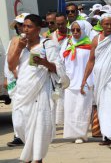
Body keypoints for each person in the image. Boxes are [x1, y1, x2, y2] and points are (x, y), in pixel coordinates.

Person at [8, 14, 65, 162]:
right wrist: (18, 49)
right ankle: (31, 155)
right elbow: (11, 66)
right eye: (24, 26)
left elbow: (58, 69)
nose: (25, 29)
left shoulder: (48, 44)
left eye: (29, 26)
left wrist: (44, 62)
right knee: (20, 125)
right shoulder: (21, 44)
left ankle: (36, 159)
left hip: (40, 93)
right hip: (22, 93)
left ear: (38, 29)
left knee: (39, 128)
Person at [81, 13, 111, 150]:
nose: (109, 26)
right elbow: (91, 61)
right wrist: (84, 79)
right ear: (101, 25)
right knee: (103, 109)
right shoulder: (96, 40)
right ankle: (107, 137)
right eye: (106, 24)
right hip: (101, 80)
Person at [60, 21, 93, 144]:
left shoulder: (89, 45)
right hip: (70, 82)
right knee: (70, 109)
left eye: (78, 30)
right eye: (73, 30)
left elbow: (93, 64)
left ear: (83, 30)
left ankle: (81, 134)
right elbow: (61, 61)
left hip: (85, 82)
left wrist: (89, 80)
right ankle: (71, 134)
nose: (75, 32)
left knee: (82, 109)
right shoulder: (67, 43)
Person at [5, 13, 30, 147]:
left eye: (23, 25)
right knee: (17, 107)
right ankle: (18, 135)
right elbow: (9, 62)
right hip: (16, 80)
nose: (20, 27)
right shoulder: (14, 40)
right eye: (19, 25)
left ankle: (28, 134)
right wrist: (9, 77)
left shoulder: (35, 41)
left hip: (29, 80)